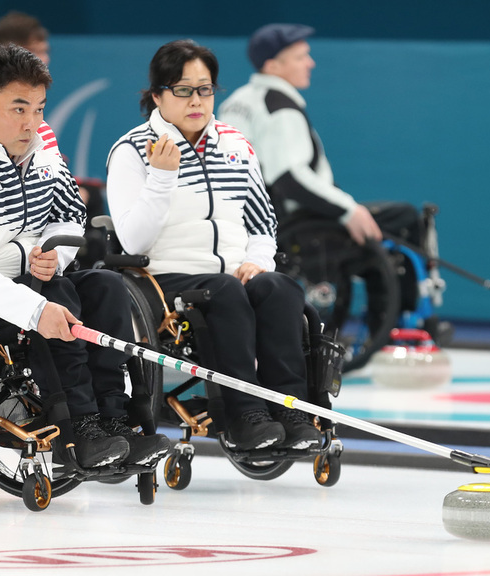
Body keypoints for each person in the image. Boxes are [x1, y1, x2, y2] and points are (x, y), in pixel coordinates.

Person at [0, 45, 170, 470]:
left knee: (107, 286)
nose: (33, 123)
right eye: (19, 109)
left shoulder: (42, 143)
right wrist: (33, 309)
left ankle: (115, 422)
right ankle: (79, 430)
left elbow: (69, 213)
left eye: (39, 109)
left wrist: (54, 253)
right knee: (56, 296)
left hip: (34, 274)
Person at [106, 40, 321, 451]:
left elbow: (262, 222)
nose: (196, 101)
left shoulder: (236, 145)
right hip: (164, 278)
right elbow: (133, 240)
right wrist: (162, 176)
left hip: (233, 275)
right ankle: (244, 415)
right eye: (183, 90)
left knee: (278, 287)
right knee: (224, 292)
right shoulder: (132, 150)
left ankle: (290, 410)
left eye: (205, 89)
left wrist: (258, 261)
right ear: (157, 95)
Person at [217, 23, 442, 329]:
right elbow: (289, 177)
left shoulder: (238, 101)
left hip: (247, 219)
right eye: (300, 57)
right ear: (273, 66)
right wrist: (348, 210)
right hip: (290, 223)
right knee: (401, 219)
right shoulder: (280, 109)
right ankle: (396, 326)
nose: (310, 63)